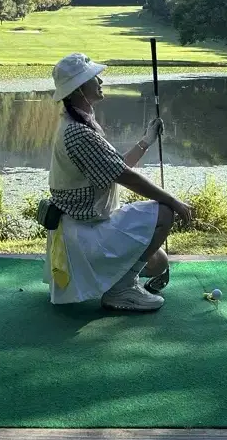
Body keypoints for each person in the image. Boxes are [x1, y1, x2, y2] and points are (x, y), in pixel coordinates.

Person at [43, 53, 192, 312]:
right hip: (85, 232)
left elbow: (115, 168)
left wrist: (146, 140)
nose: (100, 80)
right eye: (93, 78)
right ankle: (121, 289)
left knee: (159, 262)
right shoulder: (78, 131)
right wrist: (172, 200)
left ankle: (121, 281)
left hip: (88, 225)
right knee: (164, 213)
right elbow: (124, 176)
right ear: (79, 88)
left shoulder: (78, 122)